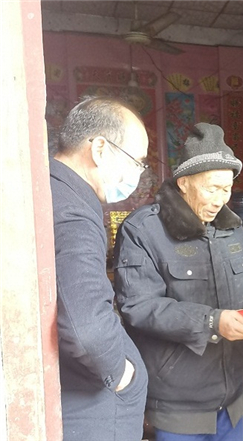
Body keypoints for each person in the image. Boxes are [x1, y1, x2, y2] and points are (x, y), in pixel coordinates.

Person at [113, 122, 243, 441]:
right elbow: (140, 306)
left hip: (232, 397)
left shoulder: (231, 228)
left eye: (226, 189)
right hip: (177, 404)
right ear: (184, 182)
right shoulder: (144, 231)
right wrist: (212, 322)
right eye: (212, 188)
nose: (220, 200)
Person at [50, 96, 149, 440]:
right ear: (100, 149)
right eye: (136, 162)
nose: (138, 173)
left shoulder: (52, 189)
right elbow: (88, 329)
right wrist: (122, 375)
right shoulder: (74, 213)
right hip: (91, 412)